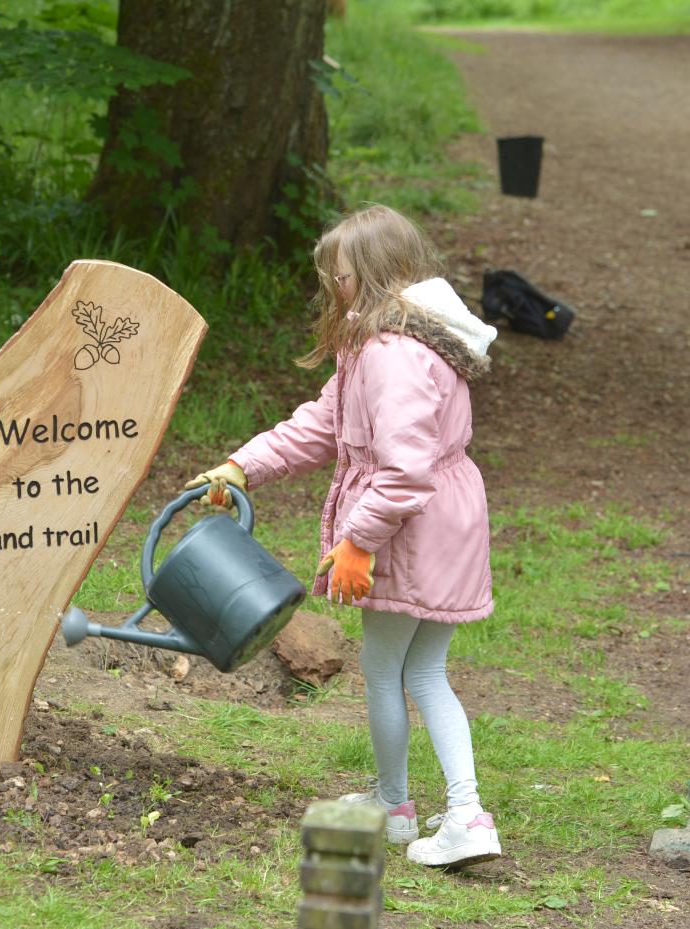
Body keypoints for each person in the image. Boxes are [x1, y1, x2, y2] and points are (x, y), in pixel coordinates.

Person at [185, 204, 502, 867]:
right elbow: (319, 425)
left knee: (397, 668)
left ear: (376, 274)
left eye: (343, 275)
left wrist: (359, 539)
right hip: (438, 521)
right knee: (418, 667)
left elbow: (406, 470)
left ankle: (454, 812)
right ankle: (405, 806)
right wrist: (242, 464)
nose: (334, 287)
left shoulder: (394, 355)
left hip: (412, 528)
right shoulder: (385, 341)